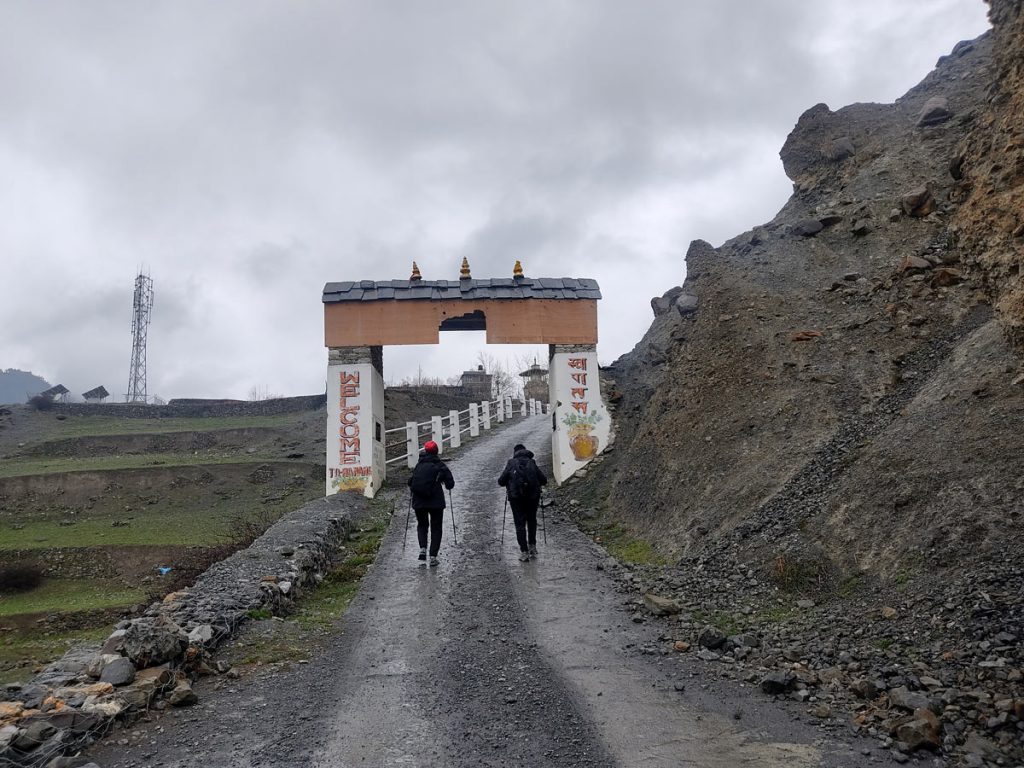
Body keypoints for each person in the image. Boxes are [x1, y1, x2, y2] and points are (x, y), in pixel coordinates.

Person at [407, 440, 455, 566]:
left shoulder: (419, 464)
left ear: (425, 450)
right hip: (436, 502)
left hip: (419, 501)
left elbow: (410, 482)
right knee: (436, 527)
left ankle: (423, 549)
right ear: (436, 451)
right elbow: (451, 484)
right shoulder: (440, 465)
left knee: (422, 525)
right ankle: (433, 556)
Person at [498, 443, 547, 561]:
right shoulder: (532, 462)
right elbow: (544, 480)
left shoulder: (511, 463)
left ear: (515, 453)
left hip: (516, 498)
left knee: (519, 524)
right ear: (526, 451)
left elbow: (501, 481)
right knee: (532, 520)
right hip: (532, 497)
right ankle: (532, 546)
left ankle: (524, 552)